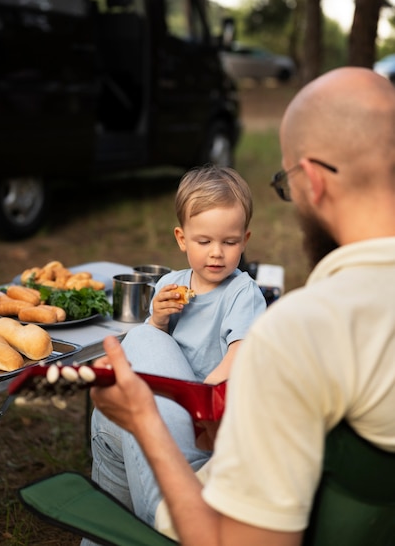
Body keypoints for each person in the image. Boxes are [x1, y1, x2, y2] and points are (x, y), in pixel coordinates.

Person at [88, 67, 395, 546]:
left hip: (200, 513)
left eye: (286, 183)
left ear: (312, 180)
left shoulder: (303, 331)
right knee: (143, 348)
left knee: (122, 387)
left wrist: (145, 420)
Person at [82, 165, 267, 543]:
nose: (216, 253)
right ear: (182, 239)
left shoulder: (242, 294)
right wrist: (158, 318)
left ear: (245, 239)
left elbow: (241, 352)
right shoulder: (170, 284)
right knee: (136, 346)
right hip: (165, 401)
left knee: (112, 413)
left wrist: (208, 393)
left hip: (204, 416)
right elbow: (153, 341)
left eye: (229, 242)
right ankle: (104, 528)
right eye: (204, 241)